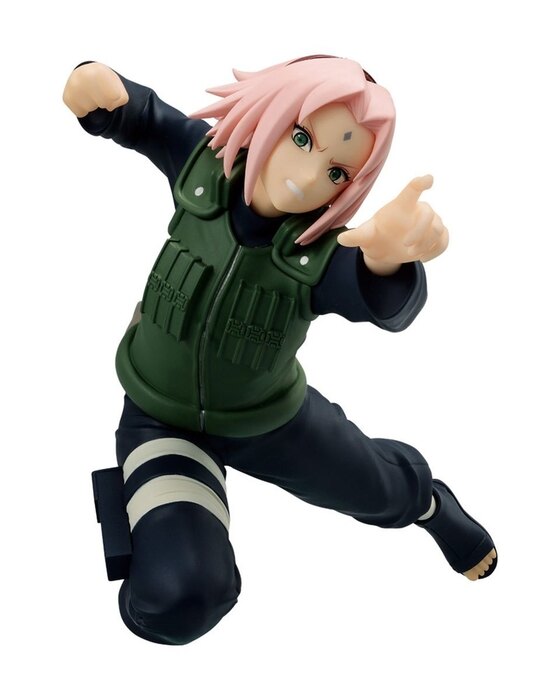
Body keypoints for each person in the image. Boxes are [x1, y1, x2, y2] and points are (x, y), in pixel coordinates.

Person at [63, 57, 497, 646]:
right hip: (160, 418)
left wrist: (388, 259)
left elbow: (376, 295)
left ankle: (431, 507)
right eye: (302, 138)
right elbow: (146, 118)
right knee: (181, 594)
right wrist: (104, 94)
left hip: (271, 421)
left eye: (338, 171)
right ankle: (156, 540)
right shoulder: (205, 170)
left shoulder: (319, 253)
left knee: (382, 490)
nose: (308, 175)